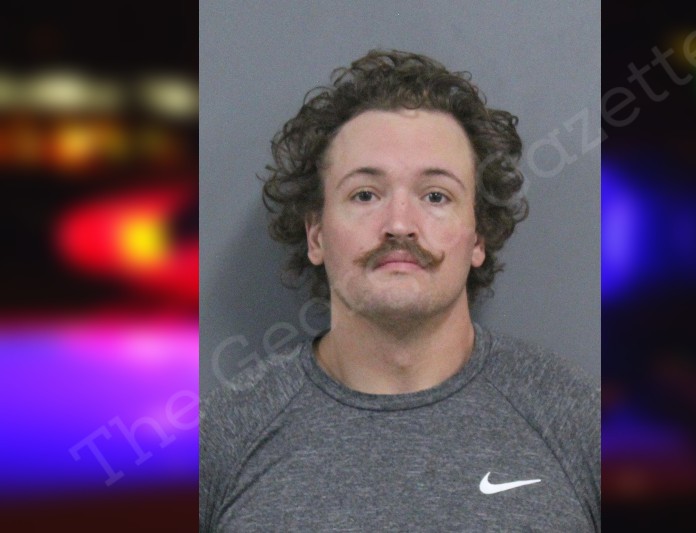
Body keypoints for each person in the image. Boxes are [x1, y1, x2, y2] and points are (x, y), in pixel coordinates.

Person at [200, 49, 600, 532]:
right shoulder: (218, 443)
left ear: (478, 237)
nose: (399, 224)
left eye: (436, 195)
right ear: (316, 235)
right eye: (365, 194)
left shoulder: (581, 425)